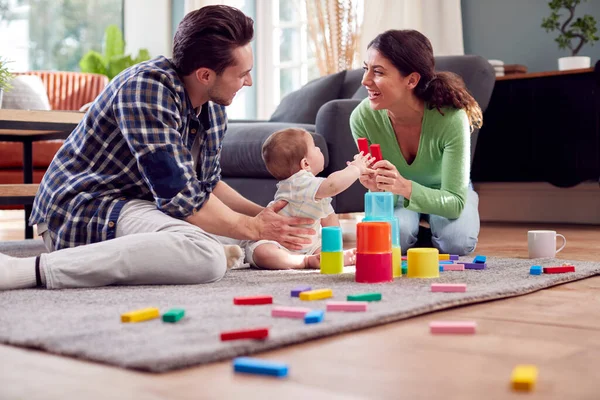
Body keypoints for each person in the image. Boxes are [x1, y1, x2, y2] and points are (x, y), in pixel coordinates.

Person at [0, 5, 316, 291]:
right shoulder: (146, 88)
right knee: (205, 256)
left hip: (140, 205)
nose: (248, 82)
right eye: (243, 74)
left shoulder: (213, 105)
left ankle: (248, 249)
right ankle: (29, 270)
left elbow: (208, 185)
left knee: (248, 233)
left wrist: (259, 216)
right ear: (205, 75)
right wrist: (253, 226)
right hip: (83, 208)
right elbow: (181, 197)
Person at [350, 29, 482, 256]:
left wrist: (405, 186)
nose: (365, 80)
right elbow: (386, 197)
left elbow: (454, 201)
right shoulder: (362, 118)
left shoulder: (451, 118)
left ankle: (432, 236)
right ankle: (422, 239)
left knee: (456, 243)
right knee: (390, 242)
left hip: (447, 192)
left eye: (378, 72)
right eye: (366, 69)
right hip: (399, 196)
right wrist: (376, 189)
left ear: (411, 80)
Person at [242, 128, 373, 270]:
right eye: (315, 147)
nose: (319, 149)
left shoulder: (316, 190)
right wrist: (355, 169)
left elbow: (330, 221)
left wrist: (335, 250)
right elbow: (333, 185)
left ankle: (315, 258)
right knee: (263, 252)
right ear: (305, 164)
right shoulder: (297, 183)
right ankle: (304, 261)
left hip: (309, 245)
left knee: (323, 249)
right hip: (279, 244)